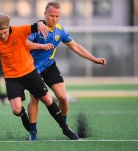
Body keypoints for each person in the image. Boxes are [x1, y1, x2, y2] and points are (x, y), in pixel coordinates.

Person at [0, 13, 79, 141]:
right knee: (16, 110)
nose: (2, 36)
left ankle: (66, 130)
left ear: (9, 27)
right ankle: (27, 121)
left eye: (5, 32)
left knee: (47, 100)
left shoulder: (19, 31)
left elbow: (37, 25)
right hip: (12, 78)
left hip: (30, 73)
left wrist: (40, 23)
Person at [26, 1, 107, 140]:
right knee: (35, 98)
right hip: (32, 69)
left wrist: (94, 59)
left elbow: (76, 47)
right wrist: (40, 46)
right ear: (45, 14)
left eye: (57, 16)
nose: (54, 19)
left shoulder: (60, 31)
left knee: (63, 98)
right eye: (51, 15)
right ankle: (33, 133)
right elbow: (23, 44)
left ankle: (64, 126)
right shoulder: (36, 29)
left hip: (50, 67)